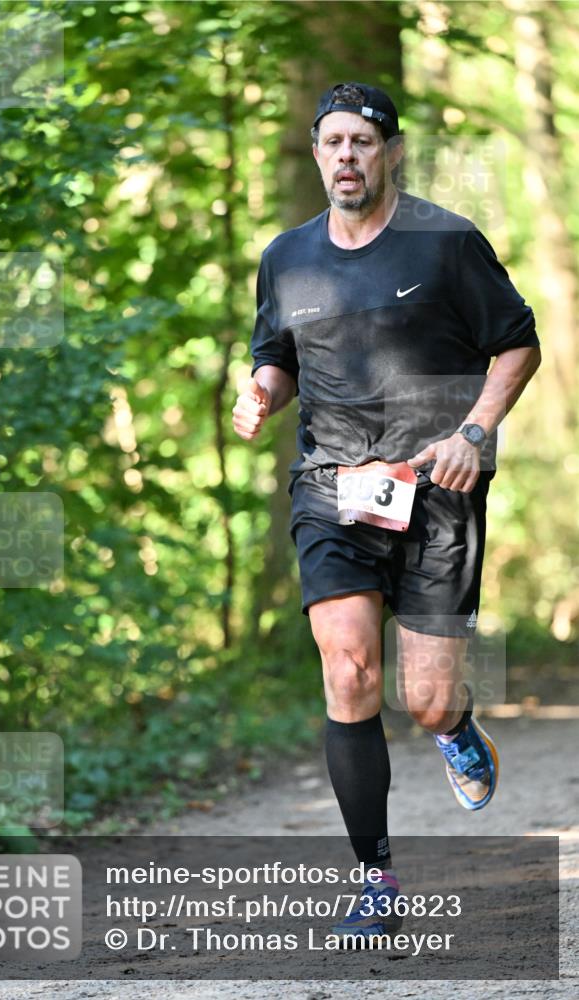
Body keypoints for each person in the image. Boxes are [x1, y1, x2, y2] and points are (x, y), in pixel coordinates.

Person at [232, 82, 541, 943]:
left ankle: (454, 725)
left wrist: (474, 431)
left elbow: (518, 345)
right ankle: (375, 880)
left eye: (361, 142)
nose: (346, 156)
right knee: (348, 673)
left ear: (389, 153)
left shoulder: (446, 243)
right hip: (332, 485)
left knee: (426, 700)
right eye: (332, 142)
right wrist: (260, 395)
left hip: (438, 485)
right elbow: (274, 356)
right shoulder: (286, 257)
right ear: (315, 153)